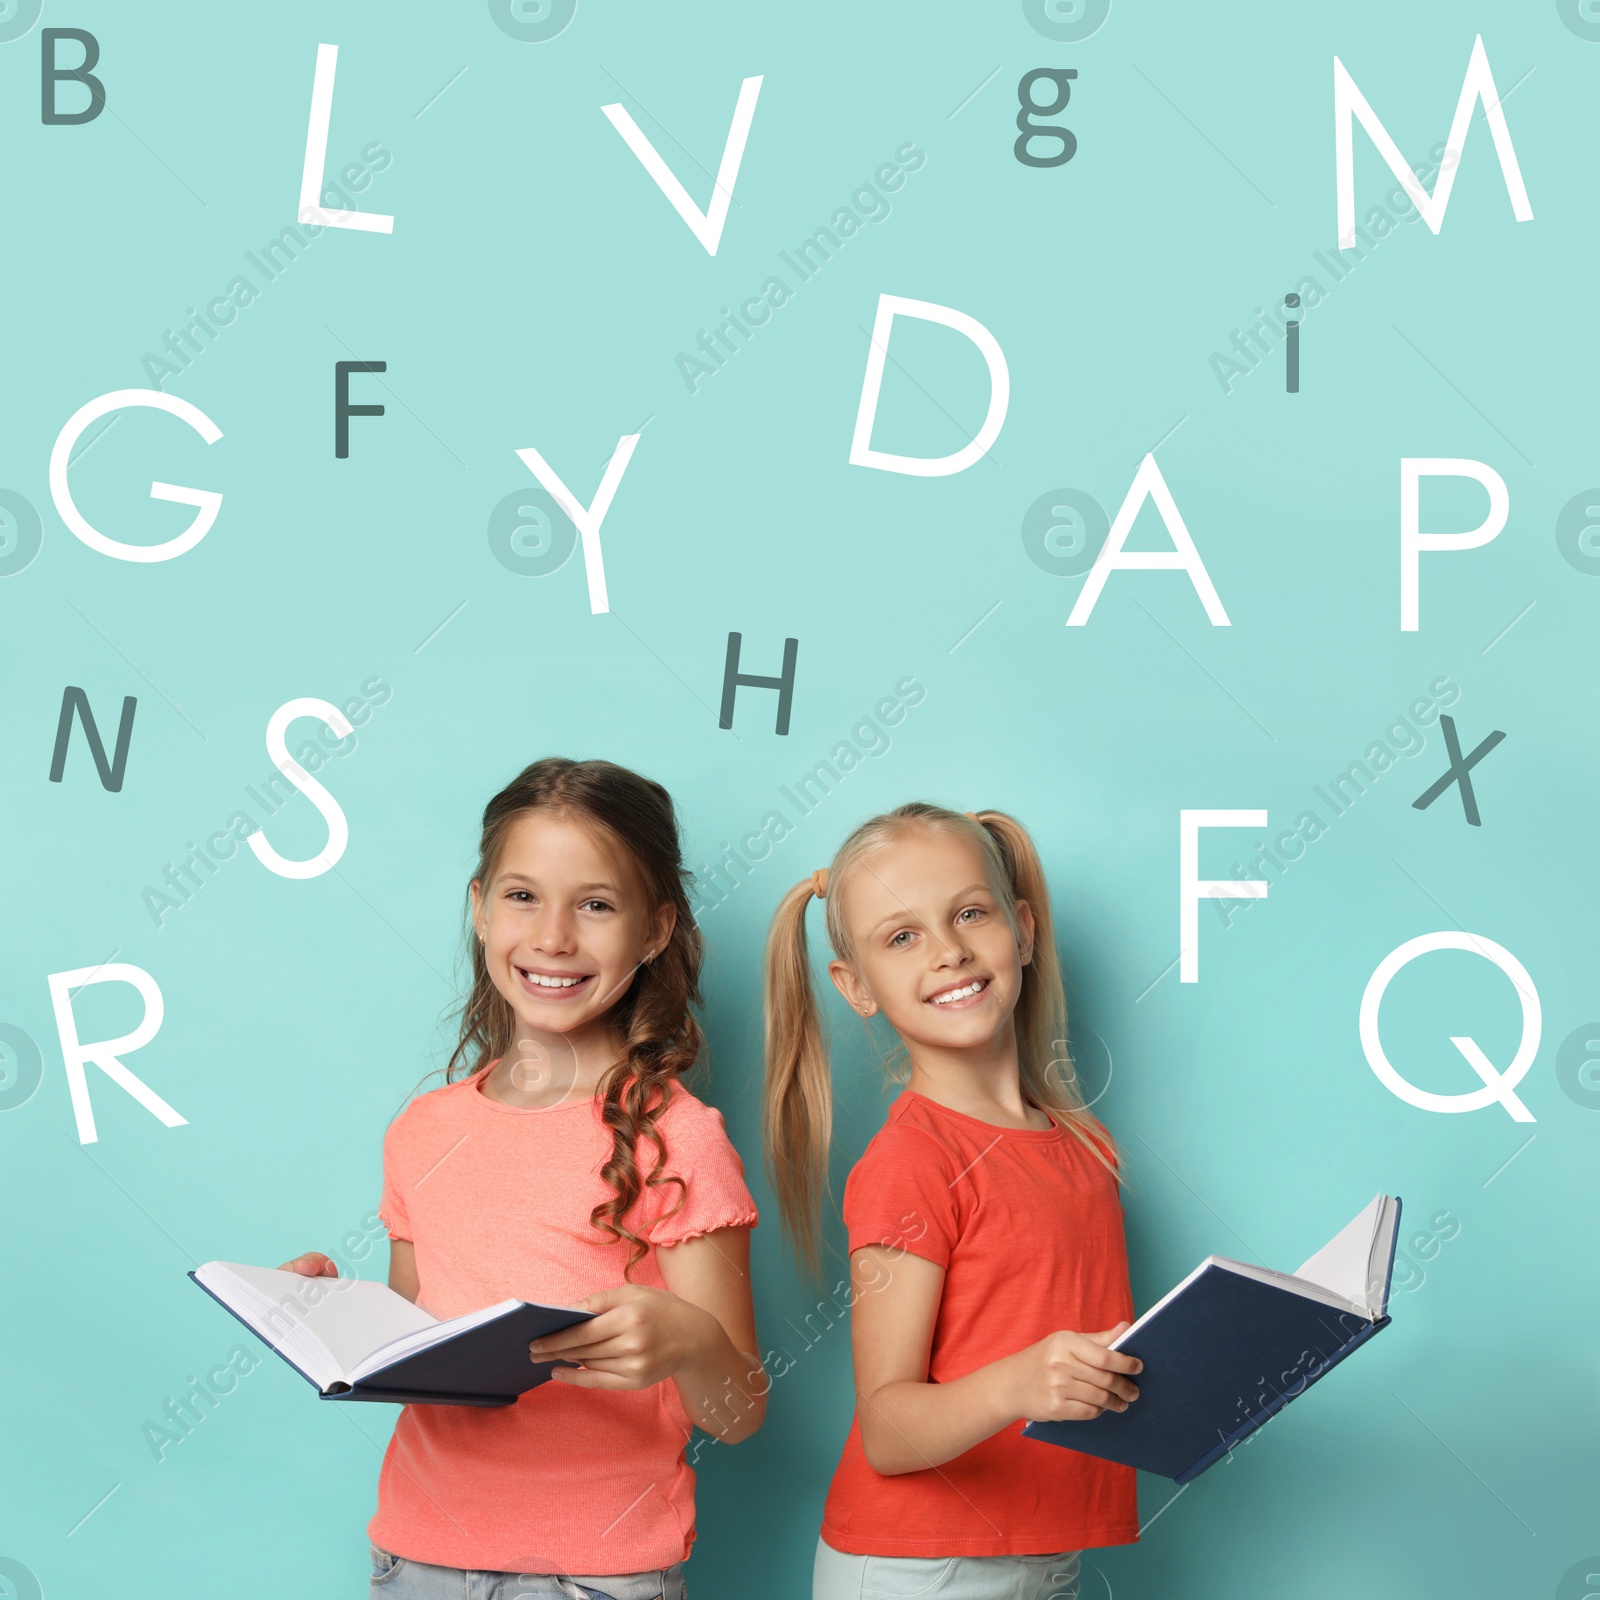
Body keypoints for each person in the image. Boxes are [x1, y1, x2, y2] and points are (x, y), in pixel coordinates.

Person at [282, 757, 765, 1599]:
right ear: (478, 908)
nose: (553, 937)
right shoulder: (422, 1129)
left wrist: (689, 1340)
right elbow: (412, 1345)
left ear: (654, 931)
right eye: (522, 896)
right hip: (415, 1557)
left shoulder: (679, 1138)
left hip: (597, 1574)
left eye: (597, 905)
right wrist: (323, 1316)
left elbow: (739, 1415)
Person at [763, 803, 1143, 1599]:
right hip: (923, 1569)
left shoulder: (1086, 1146)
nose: (949, 952)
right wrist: (1016, 1385)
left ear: (1025, 931)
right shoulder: (913, 1161)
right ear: (856, 987)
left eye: (970, 913)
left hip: (1040, 1553)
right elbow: (889, 1428)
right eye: (902, 937)